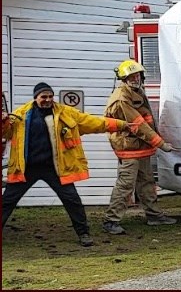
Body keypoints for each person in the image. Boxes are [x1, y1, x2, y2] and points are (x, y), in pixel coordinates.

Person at [2, 82, 128, 246]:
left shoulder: (65, 113)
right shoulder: (20, 115)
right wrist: (3, 122)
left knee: (72, 200)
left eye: (50, 96)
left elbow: (93, 122)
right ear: (35, 98)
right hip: (26, 169)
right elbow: (6, 133)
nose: (47, 100)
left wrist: (121, 125)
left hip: (55, 168)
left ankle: (83, 234)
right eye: (43, 97)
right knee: (7, 202)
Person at [101, 60, 178, 235]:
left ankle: (154, 216)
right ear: (123, 78)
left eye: (137, 75)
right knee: (126, 184)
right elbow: (138, 125)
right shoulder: (122, 98)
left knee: (147, 183)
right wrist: (161, 144)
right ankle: (111, 221)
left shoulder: (136, 91)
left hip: (141, 147)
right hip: (129, 148)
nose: (135, 79)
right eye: (131, 76)